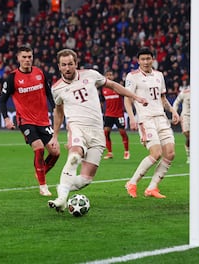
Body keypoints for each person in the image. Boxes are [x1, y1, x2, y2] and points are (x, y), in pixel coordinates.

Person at [48, 49, 148, 212]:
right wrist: (55, 135)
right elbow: (58, 111)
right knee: (74, 156)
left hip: (97, 132)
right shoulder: (57, 89)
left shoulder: (90, 75)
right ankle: (61, 199)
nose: (67, 68)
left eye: (70, 64)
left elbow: (114, 85)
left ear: (76, 63)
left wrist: (135, 97)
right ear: (59, 67)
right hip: (77, 127)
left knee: (86, 179)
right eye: (64, 65)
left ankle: (63, 188)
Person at [0, 45, 60, 197]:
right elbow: (3, 100)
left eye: (29, 57)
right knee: (38, 148)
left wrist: (54, 108)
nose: (27, 60)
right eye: (24, 57)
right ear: (18, 58)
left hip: (43, 120)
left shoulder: (40, 73)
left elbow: (48, 93)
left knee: (56, 152)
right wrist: (6, 118)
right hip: (25, 120)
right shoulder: (12, 77)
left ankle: (40, 172)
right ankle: (43, 185)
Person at [124, 47, 180, 199]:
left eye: (148, 58)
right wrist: (132, 118)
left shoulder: (159, 75)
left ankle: (152, 187)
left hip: (161, 117)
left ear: (153, 59)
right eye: (143, 59)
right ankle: (132, 183)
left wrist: (173, 111)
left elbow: (162, 99)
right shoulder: (132, 76)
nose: (146, 62)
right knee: (156, 153)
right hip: (145, 119)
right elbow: (127, 99)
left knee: (170, 153)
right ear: (138, 61)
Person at [172, 85, 199, 164]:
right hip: (186, 117)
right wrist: (175, 113)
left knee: (195, 137)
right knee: (189, 136)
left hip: (197, 118)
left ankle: (195, 156)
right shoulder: (185, 93)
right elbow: (176, 102)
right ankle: (189, 156)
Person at [100, 69, 130, 160]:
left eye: (110, 75)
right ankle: (110, 153)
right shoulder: (103, 89)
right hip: (108, 114)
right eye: (107, 75)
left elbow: (126, 96)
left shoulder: (117, 87)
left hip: (119, 114)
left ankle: (126, 151)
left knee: (122, 132)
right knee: (106, 133)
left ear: (113, 76)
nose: (109, 77)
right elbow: (101, 102)